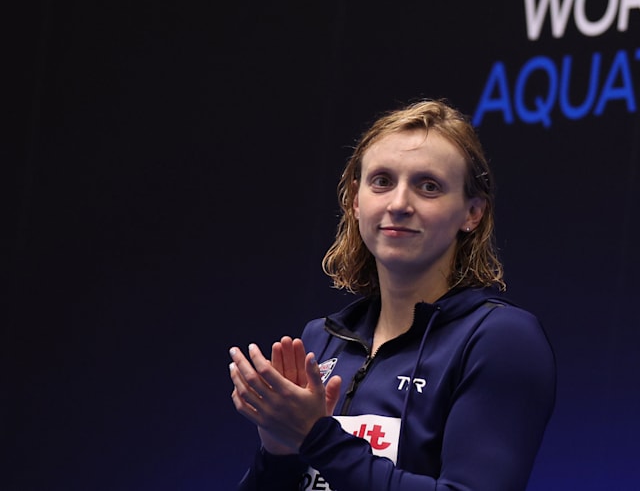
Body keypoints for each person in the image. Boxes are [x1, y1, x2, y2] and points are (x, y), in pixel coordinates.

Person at [228, 99, 557, 490]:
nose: (399, 204)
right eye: (382, 181)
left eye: (428, 186)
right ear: (355, 200)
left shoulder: (501, 339)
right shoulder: (323, 338)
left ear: (473, 212)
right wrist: (279, 450)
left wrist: (317, 437)